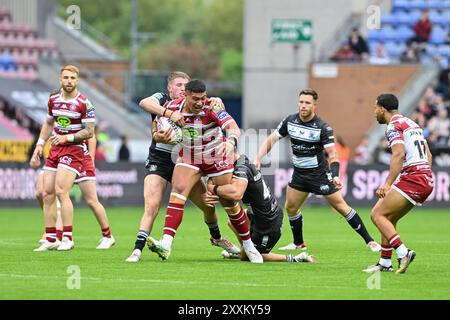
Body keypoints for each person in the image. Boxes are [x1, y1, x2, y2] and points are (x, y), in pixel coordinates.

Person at [126, 72, 240, 262]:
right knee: (152, 205)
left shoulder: (197, 103)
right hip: (161, 160)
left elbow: (217, 107)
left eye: (184, 86)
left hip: (187, 160)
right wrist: (167, 117)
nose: (181, 89)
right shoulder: (162, 100)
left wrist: (218, 103)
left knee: (208, 207)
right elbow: (144, 104)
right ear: (170, 87)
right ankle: (137, 250)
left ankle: (218, 238)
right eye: (178, 85)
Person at [146, 79, 263, 263]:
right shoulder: (172, 107)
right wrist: (157, 135)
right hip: (190, 156)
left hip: (216, 156)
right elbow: (156, 121)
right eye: (195, 99)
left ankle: (248, 245)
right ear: (186, 96)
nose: (200, 102)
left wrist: (231, 142)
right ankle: (166, 243)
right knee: (178, 191)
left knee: (229, 202)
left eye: (202, 98)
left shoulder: (212, 107)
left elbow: (232, 127)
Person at [254, 88, 381, 253]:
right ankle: (298, 243)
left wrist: (335, 175)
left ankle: (369, 241)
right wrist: (258, 157)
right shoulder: (290, 121)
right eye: (301, 102)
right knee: (291, 207)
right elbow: (272, 139)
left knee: (342, 207)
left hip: (319, 175)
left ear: (314, 105)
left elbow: (333, 155)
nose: (303, 106)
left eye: (307, 103)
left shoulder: (322, 127)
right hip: (299, 175)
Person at [203, 150, 317, 264]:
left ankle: (295, 258)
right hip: (259, 214)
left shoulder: (241, 169)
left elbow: (236, 193)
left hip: (268, 223)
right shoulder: (242, 160)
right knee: (232, 221)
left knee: (245, 257)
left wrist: (213, 188)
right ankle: (246, 249)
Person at [364, 94, 434, 274]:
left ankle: (404, 253)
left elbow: (398, 154)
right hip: (425, 177)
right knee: (388, 218)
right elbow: (429, 156)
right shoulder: (412, 124)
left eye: (375, 108)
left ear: (382, 109)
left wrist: (387, 184)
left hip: (414, 177)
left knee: (376, 215)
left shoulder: (393, 126)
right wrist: (424, 173)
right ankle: (385, 263)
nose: (374, 113)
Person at [30, 65, 95, 251]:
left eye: (72, 78)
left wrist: (67, 137)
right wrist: (40, 144)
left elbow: (89, 131)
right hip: (55, 149)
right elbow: (49, 122)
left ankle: (67, 237)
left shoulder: (84, 103)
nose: (69, 81)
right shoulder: (53, 100)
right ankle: (51, 238)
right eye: (66, 78)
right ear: (60, 79)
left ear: (77, 80)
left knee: (60, 190)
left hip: (73, 149)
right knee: (46, 192)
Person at [32, 102, 115, 249]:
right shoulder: (53, 115)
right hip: (58, 155)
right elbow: (47, 129)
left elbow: (91, 135)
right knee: (46, 192)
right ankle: (55, 235)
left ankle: (107, 235)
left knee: (91, 200)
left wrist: (91, 159)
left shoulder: (79, 109)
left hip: (80, 156)